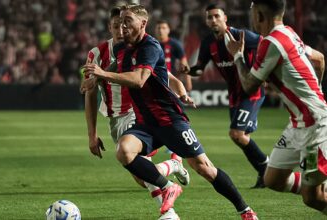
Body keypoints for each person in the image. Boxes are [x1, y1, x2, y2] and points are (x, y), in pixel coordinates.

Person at [84, 4, 258, 220]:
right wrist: (96, 77)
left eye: (128, 21)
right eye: (120, 22)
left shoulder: (151, 46)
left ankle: (245, 210)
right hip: (145, 123)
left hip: (170, 121)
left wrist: (102, 74)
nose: (123, 27)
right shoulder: (122, 49)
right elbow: (114, 66)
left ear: (143, 23)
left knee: (205, 169)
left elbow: (138, 80)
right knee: (124, 151)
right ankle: (168, 187)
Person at [81, 7, 192, 219]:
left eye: (124, 25)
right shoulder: (96, 54)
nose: (121, 31)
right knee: (142, 178)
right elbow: (89, 94)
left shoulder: (138, 49)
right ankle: (174, 165)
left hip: (136, 114)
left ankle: (169, 213)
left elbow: (164, 75)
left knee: (146, 172)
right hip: (114, 119)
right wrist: (91, 134)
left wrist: (181, 91)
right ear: (110, 27)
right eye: (116, 26)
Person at [225, 0, 327, 214]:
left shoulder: (271, 42)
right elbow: (319, 59)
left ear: (260, 15)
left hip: (313, 129)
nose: (252, 17)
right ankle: (316, 181)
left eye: (253, 12)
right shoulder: (288, 33)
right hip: (297, 125)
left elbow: (249, 86)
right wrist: (315, 90)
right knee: (272, 179)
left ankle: (317, 185)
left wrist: (237, 55)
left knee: (312, 199)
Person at [187, 4, 269, 188]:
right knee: (241, 137)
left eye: (217, 16)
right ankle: (264, 171)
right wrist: (190, 70)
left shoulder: (242, 36)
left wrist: (262, 69)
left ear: (225, 18)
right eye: (210, 17)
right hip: (234, 95)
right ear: (207, 21)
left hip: (251, 92)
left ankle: (266, 168)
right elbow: (200, 68)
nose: (213, 20)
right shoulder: (208, 42)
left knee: (236, 134)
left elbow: (264, 42)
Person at [155, 20, 192, 92]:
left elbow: (184, 64)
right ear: (155, 30)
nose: (161, 30)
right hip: (156, 81)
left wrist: (188, 82)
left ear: (168, 30)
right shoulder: (151, 44)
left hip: (172, 81)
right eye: (158, 28)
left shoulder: (175, 44)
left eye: (163, 28)